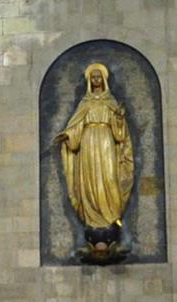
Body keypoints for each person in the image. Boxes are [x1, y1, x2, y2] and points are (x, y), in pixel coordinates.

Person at [55, 63, 133, 231]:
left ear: (104, 79)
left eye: (98, 77)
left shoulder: (110, 101)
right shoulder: (85, 102)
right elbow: (76, 124)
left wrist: (119, 118)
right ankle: (92, 218)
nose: (96, 80)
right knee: (89, 180)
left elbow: (120, 134)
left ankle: (113, 214)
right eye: (93, 77)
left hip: (106, 140)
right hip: (88, 142)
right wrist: (68, 136)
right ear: (90, 81)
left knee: (110, 177)